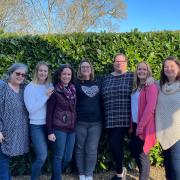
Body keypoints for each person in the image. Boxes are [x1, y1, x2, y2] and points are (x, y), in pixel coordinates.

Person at [101, 53, 153, 180]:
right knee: (115, 145)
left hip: (128, 118)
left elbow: (146, 81)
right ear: (113, 63)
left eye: (122, 61)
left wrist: (151, 80)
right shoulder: (106, 78)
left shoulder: (131, 76)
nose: (119, 63)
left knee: (133, 147)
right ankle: (121, 171)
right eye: (116, 61)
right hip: (110, 118)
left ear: (126, 63)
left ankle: (124, 174)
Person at [24, 61, 54, 180]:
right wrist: (45, 96)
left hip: (50, 125)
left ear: (48, 73)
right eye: (40, 70)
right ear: (36, 72)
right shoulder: (30, 87)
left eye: (45, 71)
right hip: (36, 126)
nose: (43, 73)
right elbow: (31, 109)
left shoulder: (50, 85)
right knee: (42, 156)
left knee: (57, 154)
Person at [46, 64, 76, 180]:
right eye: (64, 74)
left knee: (68, 157)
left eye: (69, 74)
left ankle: (54, 177)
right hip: (59, 128)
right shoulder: (54, 90)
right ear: (59, 75)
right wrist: (49, 131)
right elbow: (49, 113)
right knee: (58, 156)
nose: (66, 76)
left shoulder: (73, 89)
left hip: (72, 128)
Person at [0, 63, 29, 180]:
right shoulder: (3, 87)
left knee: (5, 160)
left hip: (17, 133)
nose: (21, 76)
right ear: (10, 73)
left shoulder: (24, 89)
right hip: (3, 132)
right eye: (18, 73)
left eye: (23, 75)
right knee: (3, 159)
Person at [75, 59, 102, 180]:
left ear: (91, 69)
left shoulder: (99, 82)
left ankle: (89, 174)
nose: (85, 69)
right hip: (80, 121)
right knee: (80, 147)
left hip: (96, 122)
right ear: (80, 70)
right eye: (83, 67)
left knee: (91, 148)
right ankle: (81, 173)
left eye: (87, 67)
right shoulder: (75, 83)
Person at [130, 62, 158, 180]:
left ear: (148, 71)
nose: (141, 71)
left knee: (142, 154)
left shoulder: (150, 86)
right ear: (136, 71)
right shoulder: (136, 86)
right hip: (136, 124)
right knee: (135, 150)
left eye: (144, 69)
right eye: (139, 69)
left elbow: (150, 108)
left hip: (145, 125)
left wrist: (141, 126)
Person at [156, 56, 180, 180]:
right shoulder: (160, 85)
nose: (168, 69)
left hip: (178, 134)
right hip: (164, 131)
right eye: (166, 66)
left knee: (177, 167)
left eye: (172, 66)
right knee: (168, 166)